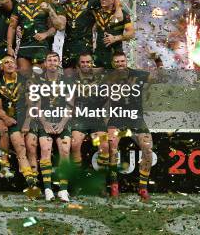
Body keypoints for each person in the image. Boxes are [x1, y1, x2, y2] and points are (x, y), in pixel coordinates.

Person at [104, 51, 153, 200]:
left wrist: (157, 62)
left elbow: (157, 78)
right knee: (112, 147)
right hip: (117, 119)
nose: (120, 64)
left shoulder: (138, 74)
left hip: (136, 119)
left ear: (126, 61)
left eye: (122, 61)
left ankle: (143, 187)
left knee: (148, 149)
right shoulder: (108, 78)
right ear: (113, 64)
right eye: (117, 62)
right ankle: (114, 186)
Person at [0, 55, 39, 193]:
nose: (9, 64)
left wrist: (27, 123)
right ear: (2, 67)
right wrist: (6, 118)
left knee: (31, 149)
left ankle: (34, 180)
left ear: (16, 65)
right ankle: (31, 183)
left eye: (12, 62)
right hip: (12, 121)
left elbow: (32, 105)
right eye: (6, 62)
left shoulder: (26, 81)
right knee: (21, 149)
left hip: (28, 119)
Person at [68, 53, 110, 194]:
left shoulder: (101, 80)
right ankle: (77, 183)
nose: (86, 64)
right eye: (83, 62)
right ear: (79, 64)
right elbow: (69, 101)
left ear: (92, 63)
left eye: (88, 62)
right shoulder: (72, 79)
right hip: (79, 118)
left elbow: (107, 100)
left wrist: (106, 117)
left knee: (104, 145)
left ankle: (101, 182)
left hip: (96, 118)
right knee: (75, 143)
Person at [35, 52, 73, 202]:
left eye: (54, 60)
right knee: (45, 149)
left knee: (64, 150)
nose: (52, 63)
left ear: (59, 62)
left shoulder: (67, 81)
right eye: (49, 60)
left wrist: (63, 123)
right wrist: (44, 123)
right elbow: (36, 106)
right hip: (45, 119)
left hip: (63, 119)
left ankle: (63, 190)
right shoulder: (38, 81)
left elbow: (71, 105)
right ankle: (48, 189)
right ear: (45, 63)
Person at [7, 0, 64, 76]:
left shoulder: (47, 5)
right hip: (24, 47)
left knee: (39, 76)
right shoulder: (19, 6)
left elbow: (55, 27)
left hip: (41, 48)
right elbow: (12, 27)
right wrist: (9, 46)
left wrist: (45, 34)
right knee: (25, 75)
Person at [61, 0, 101, 68]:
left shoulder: (92, 1)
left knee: (87, 74)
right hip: (69, 47)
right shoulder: (64, 5)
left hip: (86, 46)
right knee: (68, 75)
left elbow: (113, 0)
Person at [93, 0, 134, 69]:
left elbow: (131, 33)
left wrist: (115, 38)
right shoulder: (96, 12)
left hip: (115, 54)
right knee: (98, 80)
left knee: (115, 80)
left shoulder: (124, 14)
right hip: (98, 54)